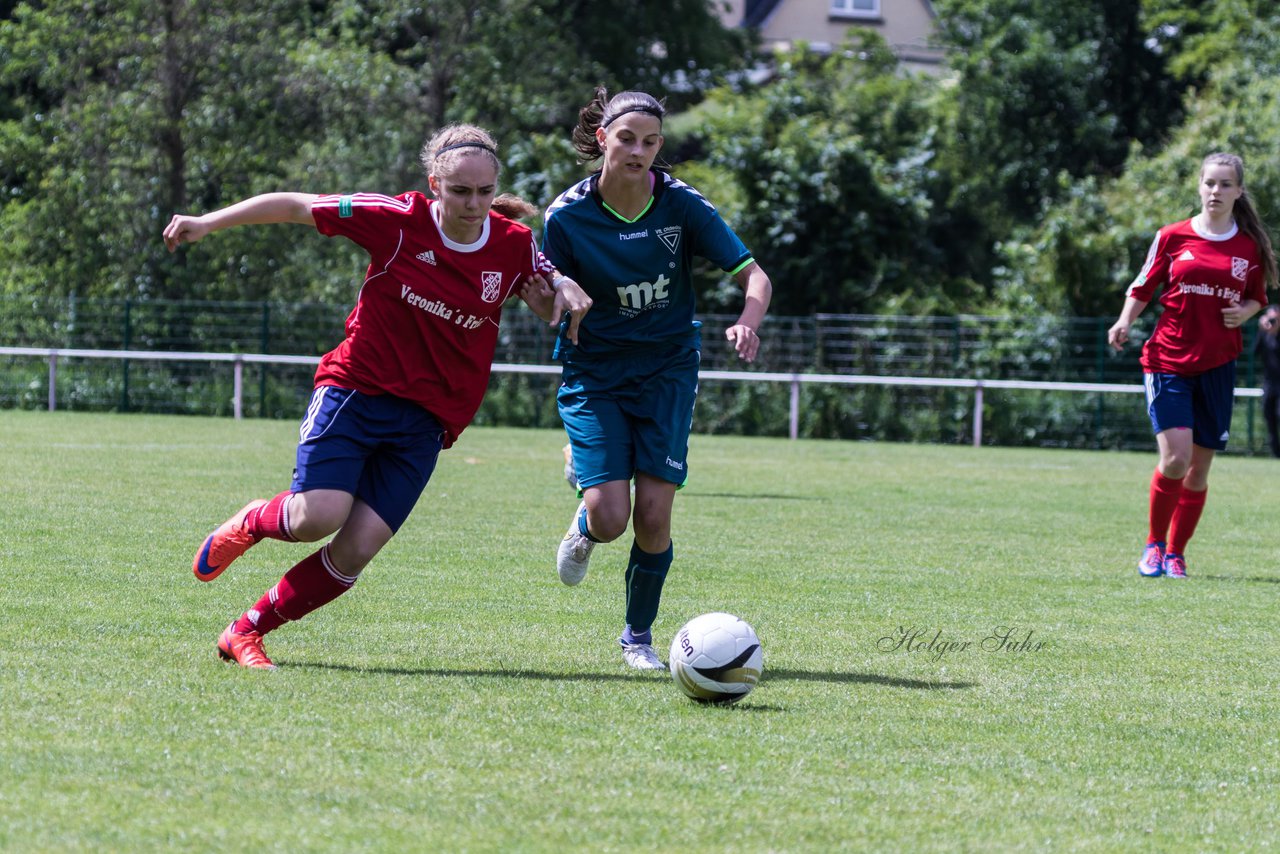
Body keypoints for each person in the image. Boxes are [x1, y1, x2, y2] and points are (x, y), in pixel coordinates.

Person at [162, 124, 592, 669]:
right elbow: (296, 205)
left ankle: (244, 632)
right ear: (434, 183)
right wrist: (206, 223)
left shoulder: (514, 244)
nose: (474, 203)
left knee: (355, 550)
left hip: (429, 420)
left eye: (485, 192)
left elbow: (548, 292)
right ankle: (252, 520)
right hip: (357, 392)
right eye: (460, 191)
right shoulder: (395, 219)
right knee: (318, 516)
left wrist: (561, 292)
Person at [542, 87, 773, 670]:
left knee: (652, 516)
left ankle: (636, 640)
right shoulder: (566, 215)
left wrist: (748, 322)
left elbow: (754, 274)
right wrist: (557, 297)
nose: (638, 151)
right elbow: (542, 295)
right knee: (611, 517)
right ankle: (586, 525)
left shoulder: (680, 205)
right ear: (603, 139)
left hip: (668, 368)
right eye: (627, 139)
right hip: (594, 370)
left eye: (650, 142)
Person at [1108, 151, 1275, 579]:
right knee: (1177, 460)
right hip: (1168, 360)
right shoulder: (1172, 236)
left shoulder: (1248, 247)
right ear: (1199, 186)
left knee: (1199, 469)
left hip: (1219, 365)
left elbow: (1258, 296)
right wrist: (1125, 320)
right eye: (1209, 183)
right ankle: (1154, 545)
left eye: (1224, 184)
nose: (1215, 191)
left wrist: (1247, 312)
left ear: (1239, 192)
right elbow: (1144, 284)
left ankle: (1177, 554)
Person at [1254, 304, 1280, 457]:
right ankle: (1275, 453)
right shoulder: (1264, 334)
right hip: (1269, 383)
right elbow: (1254, 352)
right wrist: (1261, 331)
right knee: (1268, 415)